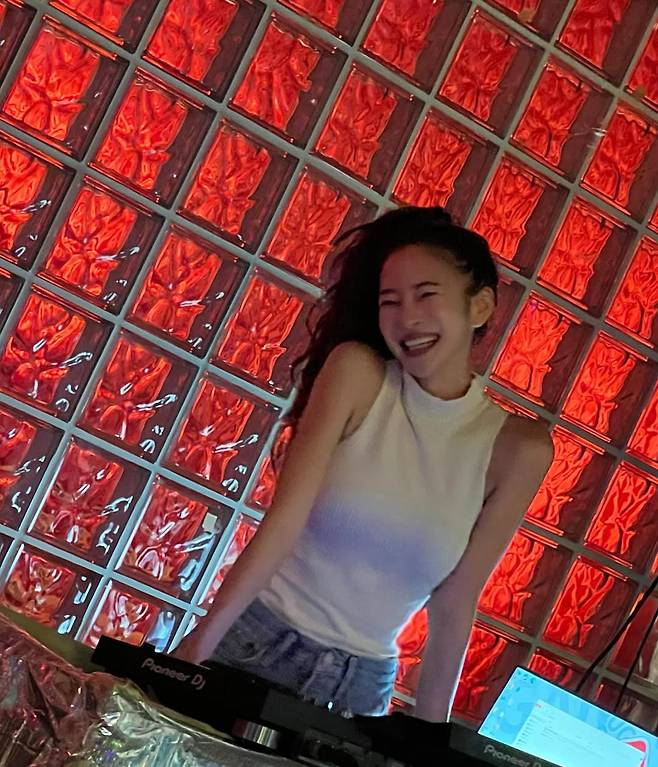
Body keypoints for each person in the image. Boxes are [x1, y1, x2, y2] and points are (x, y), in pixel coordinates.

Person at [172, 206, 554, 722]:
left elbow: (455, 601)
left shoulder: (519, 449)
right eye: (390, 301)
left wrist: (430, 740)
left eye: (426, 295)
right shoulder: (357, 371)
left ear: (480, 306)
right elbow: (282, 521)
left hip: (360, 692)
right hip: (258, 643)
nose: (407, 318)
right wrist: (195, 650)